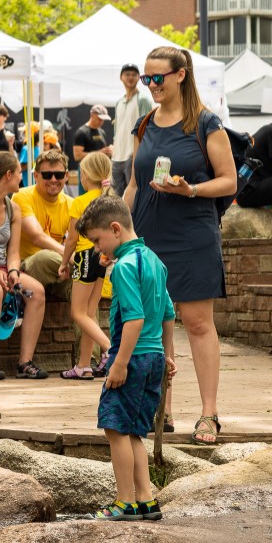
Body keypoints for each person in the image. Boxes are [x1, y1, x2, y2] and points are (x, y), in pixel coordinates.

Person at [126, 46, 237, 445]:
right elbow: (135, 185)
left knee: (197, 323)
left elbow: (229, 181)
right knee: (154, 324)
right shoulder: (143, 124)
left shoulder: (206, 123)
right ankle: (162, 409)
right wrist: (120, 232)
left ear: (180, 75)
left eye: (158, 78)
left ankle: (209, 414)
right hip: (148, 235)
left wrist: (191, 190)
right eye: (146, 78)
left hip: (192, 235)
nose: (152, 85)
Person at [77, 195, 177, 522]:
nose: (97, 249)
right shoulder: (154, 260)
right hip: (153, 357)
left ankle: (123, 501)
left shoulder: (123, 268)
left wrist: (118, 362)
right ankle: (146, 500)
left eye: (97, 240)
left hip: (131, 359)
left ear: (115, 229)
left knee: (115, 428)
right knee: (134, 430)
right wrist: (167, 354)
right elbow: (167, 314)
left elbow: (133, 319)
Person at [0, 151, 48, 380]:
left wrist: (13, 272)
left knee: (36, 292)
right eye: (18, 173)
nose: (20, 179)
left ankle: (25, 362)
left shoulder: (12, 208)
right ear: (8, 175)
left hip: (2, 269)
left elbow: (13, 252)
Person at [59, 151, 114, 379]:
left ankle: (109, 348)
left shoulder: (80, 202)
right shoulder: (109, 199)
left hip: (84, 256)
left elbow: (72, 239)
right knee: (90, 312)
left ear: (85, 175)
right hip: (102, 257)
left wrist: (64, 263)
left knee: (78, 312)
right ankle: (83, 365)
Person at [14, 147, 79, 306]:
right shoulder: (22, 196)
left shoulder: (72, 204)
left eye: (58, 175)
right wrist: (72, 258)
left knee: (82, 291)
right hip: (28, 267)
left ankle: (89, 331)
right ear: (35, 176)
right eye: (46, 175)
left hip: (59, 270)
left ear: (66, 176)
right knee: (45, 257)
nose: (53, 179)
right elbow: (36, 236)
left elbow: (79, 242)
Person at [114, 65, 154, 193]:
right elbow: (117, 129)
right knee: (116, 199)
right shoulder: (119, 102)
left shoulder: (143, 99)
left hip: (133, 156)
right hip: (117, 157)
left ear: (139, 78)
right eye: (127, 74)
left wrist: (138, 154)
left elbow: (147, 128)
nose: (130, 77)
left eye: (134, 74)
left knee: (133, 197)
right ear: (121, 77)